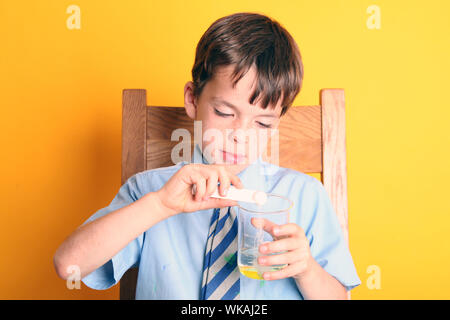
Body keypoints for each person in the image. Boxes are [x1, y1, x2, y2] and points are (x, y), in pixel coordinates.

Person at [53, 12, 360, 300]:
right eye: (224, 112)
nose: (240, 133)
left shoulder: (305, 196)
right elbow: (69, 265)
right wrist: (158, 205)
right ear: (192, 99)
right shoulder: (150, 191)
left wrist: (307, 269)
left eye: (263, 123)